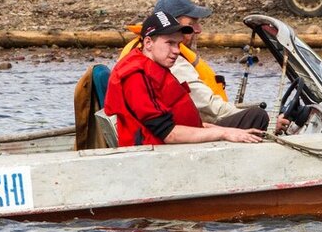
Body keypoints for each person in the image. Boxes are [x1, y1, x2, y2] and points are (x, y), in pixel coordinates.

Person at [103, 10, 266, 147]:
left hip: (183, 139)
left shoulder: (156, 66)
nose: (176, 50)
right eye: (170, 43)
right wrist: (223, 133)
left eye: (178, 44)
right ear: (148, 43)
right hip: (163, 153)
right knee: (257, 120)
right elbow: (168, 134)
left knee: (256, 116)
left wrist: (211, 128)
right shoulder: (135, 77)